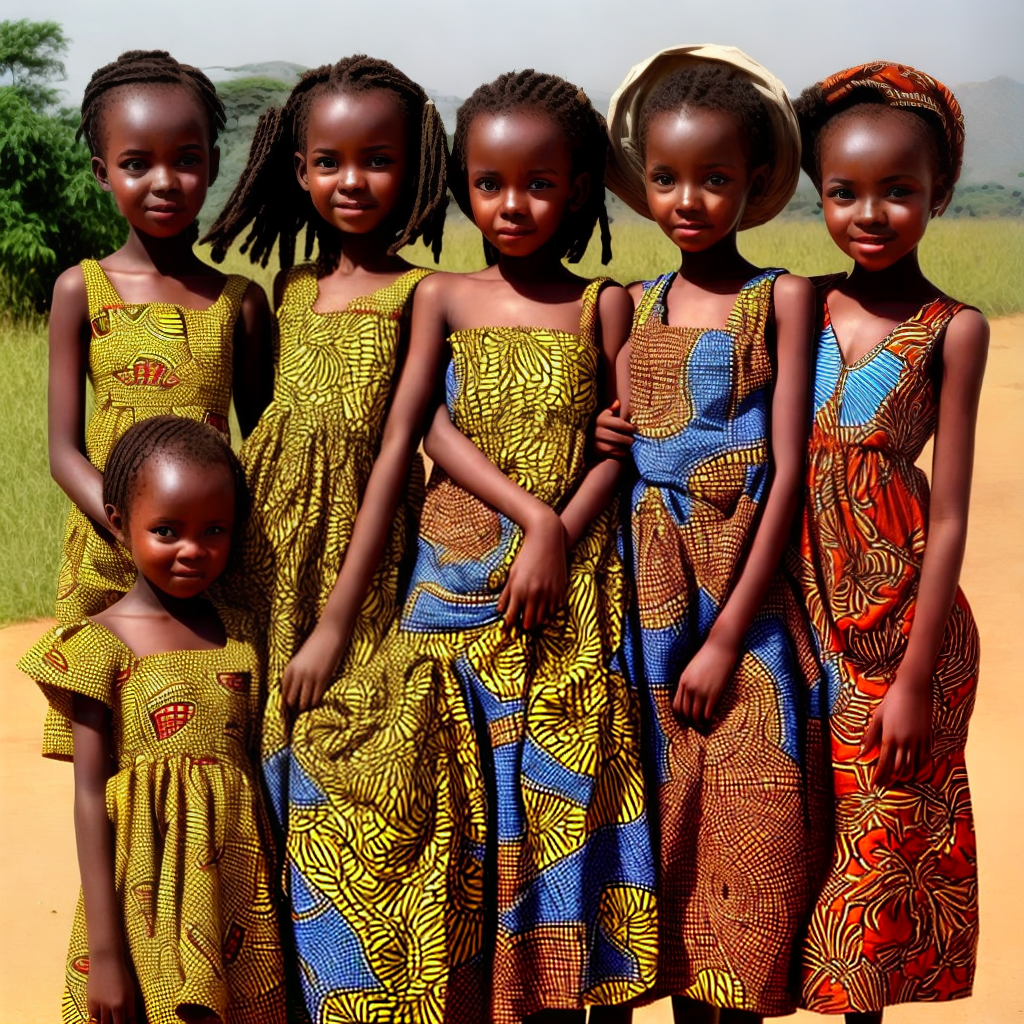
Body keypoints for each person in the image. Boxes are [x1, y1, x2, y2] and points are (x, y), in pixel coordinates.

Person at [283, 69, 658, 1024]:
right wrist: (333, 624)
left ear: (577, 189)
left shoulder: (603, 304)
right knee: (396, 797)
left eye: (538, 183)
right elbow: (414, 430)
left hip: (564, 608)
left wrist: (557, 535)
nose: (513, 204)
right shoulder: (442, 297)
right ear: (462, 187)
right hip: (449, 599)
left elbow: (624, 449)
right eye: (489, 183)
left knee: (554, 817)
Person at [599, 44, 825, 1022]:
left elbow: (786, 475)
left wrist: (729, 634)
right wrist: (613, 431)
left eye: (715, 178)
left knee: (743, 820)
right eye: (666, 178)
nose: (687, 198)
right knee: (654, 826)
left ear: (756, 181)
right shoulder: (634, 303)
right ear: (643, 182)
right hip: (639, 593)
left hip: (738, 597)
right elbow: (621, 444)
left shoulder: (778, 295)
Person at [201, 56, 448, 843]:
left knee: (332, 719)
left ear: (414, 172)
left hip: (357, 547)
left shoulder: (423, 295)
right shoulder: (291, 287)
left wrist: (338, 620)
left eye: (379, 162)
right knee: (250, 715)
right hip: (265, 541)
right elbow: (267, 426)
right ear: (298, 169)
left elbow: (393, 451)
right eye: (330, 162)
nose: (353, 181)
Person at [791, 62, 986, 1022]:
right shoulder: (797, 303)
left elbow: (947, 511)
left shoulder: (954, 328)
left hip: (905, 631)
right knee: (800, 836)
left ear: (937, 193)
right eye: (844, 191)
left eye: (899, 190)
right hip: (799, 607)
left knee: (879, 858)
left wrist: (912, 677)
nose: (870, 212)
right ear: (814, 194)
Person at [19, 416, 286, 1024]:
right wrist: (106, 953)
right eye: (167, 530)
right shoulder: (97, 646)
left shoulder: (241, 636)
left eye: (214, 531)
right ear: (118, 523)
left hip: (236, 891)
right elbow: (90, 795)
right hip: (141, 894)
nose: (193, 550)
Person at [49, 50, 272, 637]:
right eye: (136, 164)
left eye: (187, 160)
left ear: (215, 163)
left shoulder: (240, 301)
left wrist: (210, 537)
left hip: (207, 558)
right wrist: (130, 530)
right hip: (109, 549)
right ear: (103, 173)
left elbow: (262, 443)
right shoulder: (81, 289)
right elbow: (62, 453)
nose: (164, 181)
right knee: (100, 699)